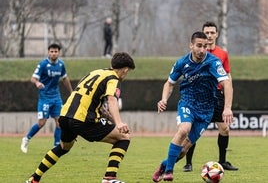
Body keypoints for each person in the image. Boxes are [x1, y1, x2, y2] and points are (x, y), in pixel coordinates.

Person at [25, 52, 135, 183]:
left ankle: (34, 178)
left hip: (65, 116)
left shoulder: (96, 73)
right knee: (124, 137)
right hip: (83, 119)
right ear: (125, 69)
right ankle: (109, 178)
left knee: (63, 147)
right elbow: (112, 100)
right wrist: (119, 123)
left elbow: (97, 105)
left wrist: (112, 120)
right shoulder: (113, 78)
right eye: (127, 72)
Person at [152, 31, 233, 182]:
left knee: (183, 150)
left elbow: (226, 83)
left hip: (207, 109)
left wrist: (227, 108)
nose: (202, 50)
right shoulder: (182, 62)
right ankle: (169, 171)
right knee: (184, 129)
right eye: (199, 46)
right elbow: (169, 83)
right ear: (191, 45)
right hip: (188, 102)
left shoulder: (213, 62)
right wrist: (164, 99)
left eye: (205, 46)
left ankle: (164, 165)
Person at [182, 21, 238, 172]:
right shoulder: (197, 53)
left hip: (217, 96)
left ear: (217, 34)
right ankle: (188, 163)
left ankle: (222, 161)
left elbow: (227, 77)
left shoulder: (223, 54)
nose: (210, 35)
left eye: (212, 32)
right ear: (202, 35)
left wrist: (228, 103)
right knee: (193, 129)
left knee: (225, 129)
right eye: (207, 33)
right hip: (200, 96)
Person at [21, 43, 73, 153]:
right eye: (51, 51)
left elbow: (65, 79)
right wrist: (37, 83)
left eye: (55, 51)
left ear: (59, 52)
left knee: (59, 122)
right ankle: (26, 139)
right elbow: (33, 78)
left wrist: (72, 92)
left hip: (56, 97)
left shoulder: (61, 65)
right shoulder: (43, 64)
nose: (53, 53)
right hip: (44, 98)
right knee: (41, 123)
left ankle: (56, 145)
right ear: (48, 52)